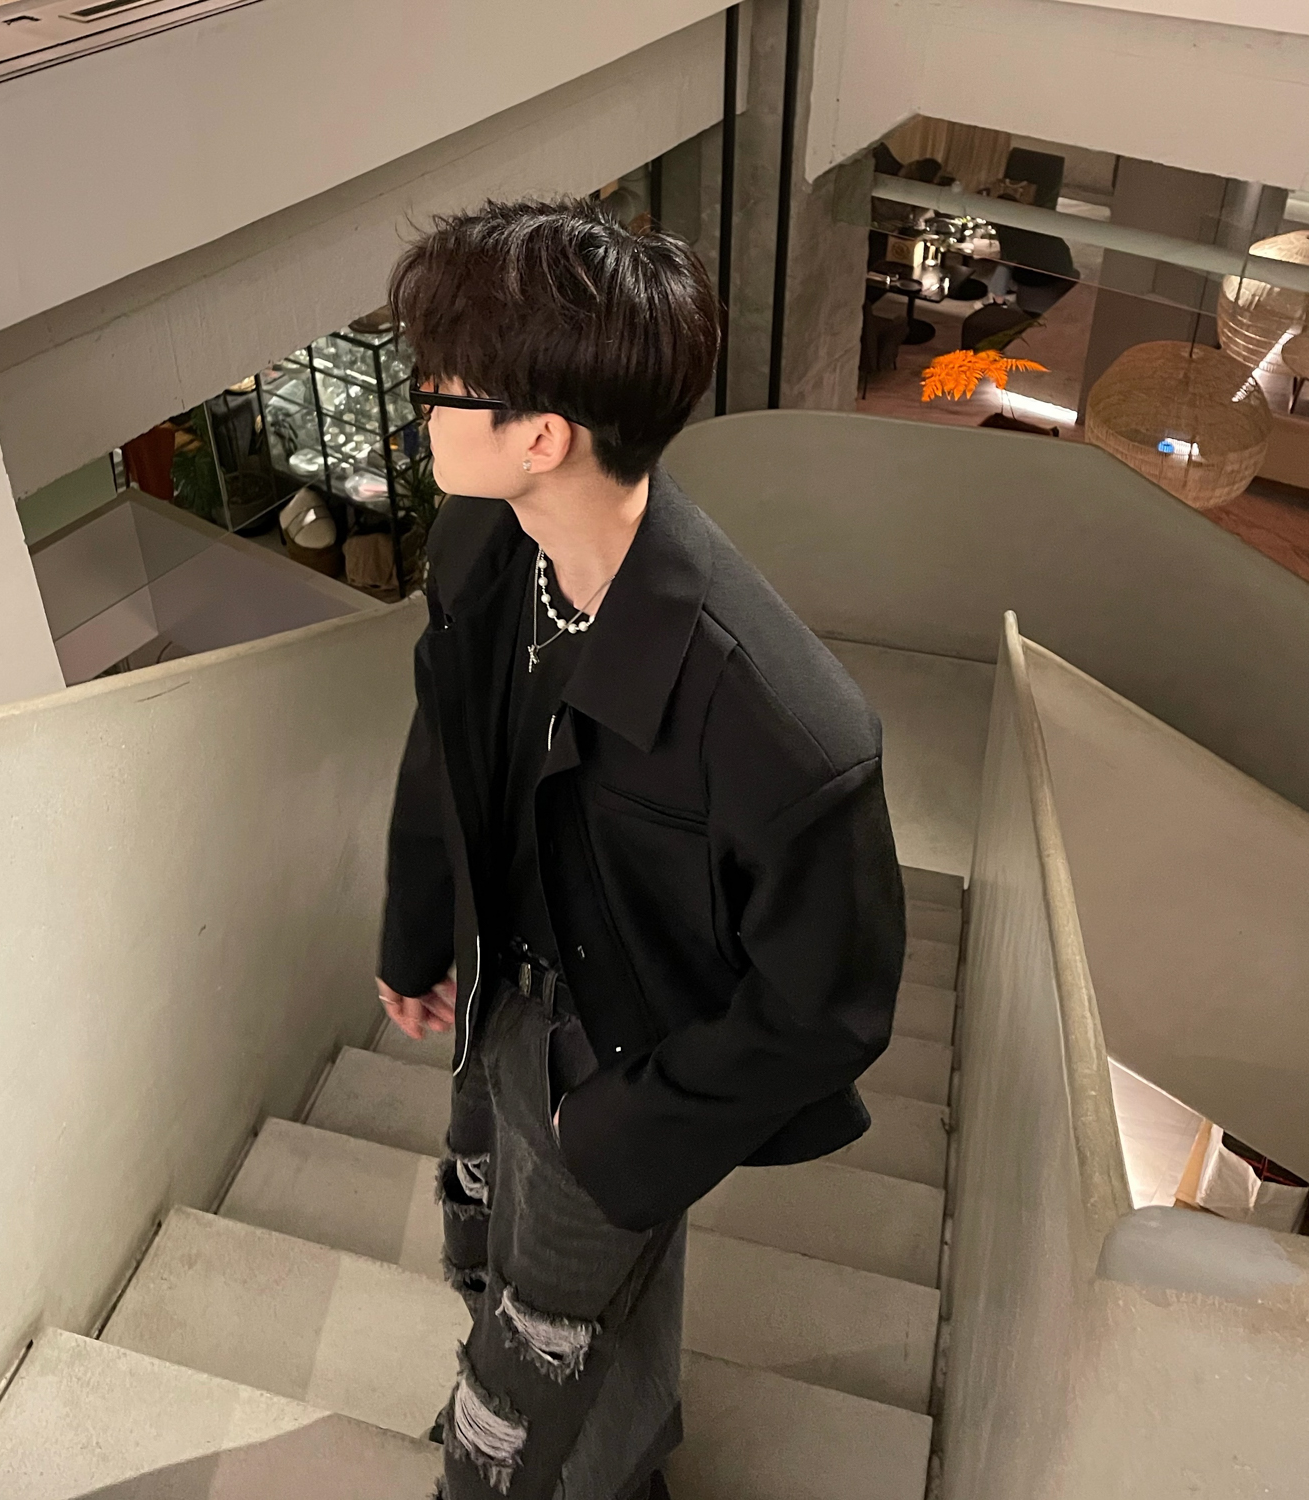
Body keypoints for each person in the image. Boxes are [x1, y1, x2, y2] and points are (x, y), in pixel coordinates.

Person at [375, 197, 905, 1500]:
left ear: (541, 436)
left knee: (535, 1351)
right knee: (480, 1245)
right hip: (501, 998)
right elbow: (447, 745)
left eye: (439, 386)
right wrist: (418, 930)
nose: (420, 407)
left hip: (622, 1066)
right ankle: (612, 1460)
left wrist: (621, 1127)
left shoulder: (780, 720)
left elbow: (829, 1009)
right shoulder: (483, 546)